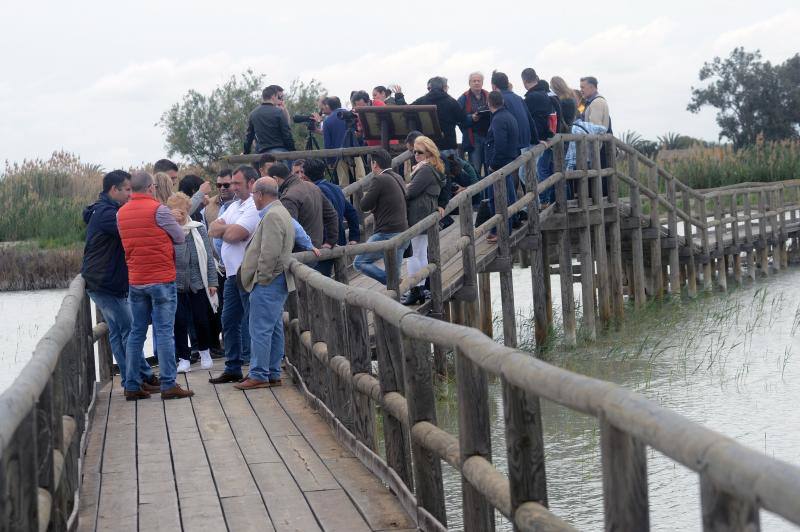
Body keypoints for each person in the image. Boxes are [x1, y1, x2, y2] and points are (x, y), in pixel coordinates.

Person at [81, 170, 158, 394]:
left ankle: (131, 378)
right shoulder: (108, 213)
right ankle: (140, 378)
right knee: (131, 329)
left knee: (118, 331)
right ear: (114, 190)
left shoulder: (106, 210)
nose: (130, 194)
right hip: (105, 283)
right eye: (126, 189)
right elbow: (135, 232)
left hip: (104, 282)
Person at [117, 171, 192, 400]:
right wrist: (174, 221)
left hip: (136, 280)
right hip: (161, 278)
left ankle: (131, 384)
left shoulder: (120, 213)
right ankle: (168, 383)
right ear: (150, 188)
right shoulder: (159, 210)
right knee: (164, 331)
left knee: (137, 332)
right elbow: (179, 237)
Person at [234, 177, 296, 390]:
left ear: (260, 194)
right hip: (277, 280)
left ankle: (259, 373)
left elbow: (269, 253)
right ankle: (272, 372)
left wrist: (262, 279)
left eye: (253, 194)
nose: (253, 198)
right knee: (274, 328)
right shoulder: (280, 212)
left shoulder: (272, 216)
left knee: (259, 328)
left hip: (269, 281)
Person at [207, 165, 261, 384]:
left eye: (237, 183)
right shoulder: (234, 205)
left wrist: (227, 230)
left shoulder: (253, 206)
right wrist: (227, 230)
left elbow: (237, 234)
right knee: (228, 320)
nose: (233, 188)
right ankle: (233, 366)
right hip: (231, 274)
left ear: (251, 183)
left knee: (253, 321)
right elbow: (212, 228)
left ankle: (257, 369)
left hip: (247, 273)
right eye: (231, 183)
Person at [167, 193, 218, 373]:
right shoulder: (166, 230)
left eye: (181, 210)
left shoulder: (198, 228)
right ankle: (183, 358)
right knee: (178, 321)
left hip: (198, 280)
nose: (178, 215)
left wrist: (212, 281)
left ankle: (204, 352)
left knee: (201, 319)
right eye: (174, 211)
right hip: (175, 283)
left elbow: (209, 256)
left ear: (187, 210)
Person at [354, 149, 409, 285]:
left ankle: (393, 281)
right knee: (393, 272)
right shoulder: (398, 177)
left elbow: (364, 205)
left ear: (375, 164)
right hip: (403, 231)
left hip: (386, 234)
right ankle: (395, 284)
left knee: (359, 262)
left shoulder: (379, 179)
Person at [402, 136, 445, 305]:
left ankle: (416, 290)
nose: (416, 155)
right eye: (414, 152)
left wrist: (400, 190)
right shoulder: (431, 167)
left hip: (418, 215)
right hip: (425, 213)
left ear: (428, 152)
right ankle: (420, 289)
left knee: (413, 254)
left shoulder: (425, 170)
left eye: (419, 152)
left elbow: (410, 192)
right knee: (420, 253)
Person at [268, 163, 339, 256]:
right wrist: (330, 241)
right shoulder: (313, 187)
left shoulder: (288, 197)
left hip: (300, 254)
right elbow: (332, 214)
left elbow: (288, 231)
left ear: (275, 179)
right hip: (316, 249)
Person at [485, 90, 519, 242]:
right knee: (508, 196)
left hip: (499, 164)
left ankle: (501, 230)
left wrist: (493, 164)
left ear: (489, 103)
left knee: (496, 198)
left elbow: (500, 143)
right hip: (508, 161)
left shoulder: (498, 119)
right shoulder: (509, 116)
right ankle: (505, 227)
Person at [303, 158, 361, 246]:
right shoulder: (336, 188)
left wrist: (329, 241)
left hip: (325, 243)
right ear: (324, 173)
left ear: (305, 177)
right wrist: (354, 237)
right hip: (339, 240)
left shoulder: (316, 191)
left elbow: (329, 217)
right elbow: (352, 213)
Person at [521, 68, 558, 194]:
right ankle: (536, 202)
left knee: (525, 173)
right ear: (536, 78)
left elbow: (532, 121)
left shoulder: (531, 98)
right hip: (544, 137)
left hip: (535, 140)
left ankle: (534, 204)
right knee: (532, 172)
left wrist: (536, 138)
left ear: (524, 81)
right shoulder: (545, 94)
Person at [409, 77, 465, 156]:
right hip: (448, 144)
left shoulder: (421, 101)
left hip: (427, 146)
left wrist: (399, 97)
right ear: (443, 87)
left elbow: (407, 111)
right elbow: (462, 118)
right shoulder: (451, 101)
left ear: (430, 87)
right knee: (450, 167)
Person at [243, 85, 296, 154]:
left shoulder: (253, 114)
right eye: (278, 97)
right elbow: (287, 134)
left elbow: (249, 137)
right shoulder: (279, 112)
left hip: (262, 153)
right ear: (273, 96)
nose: (280, 99)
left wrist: (246, 152)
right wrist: (293, 151)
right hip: (280, 151)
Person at [458, 72, 491, 176]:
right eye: (474, 81)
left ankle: (489, 193)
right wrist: (471, 118)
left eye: (479, 81)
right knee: (475, 168)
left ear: (482, 83)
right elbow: (458, 118)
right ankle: (478, 192)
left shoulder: (488, 95)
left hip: (488, 136)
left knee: (489, 168)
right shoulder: (463, 98)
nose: (476, 83)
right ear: (469, 83)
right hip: (473, 138)